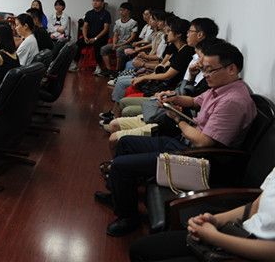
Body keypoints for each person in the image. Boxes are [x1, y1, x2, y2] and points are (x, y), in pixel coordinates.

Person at [94, 41, 257, 236]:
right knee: (125, 143)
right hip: (187, 145)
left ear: (232, 69)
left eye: (210, 70)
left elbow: (203, 142)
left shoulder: (233, 101)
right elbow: (194, 101)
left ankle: (128, 217)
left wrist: (178, 119)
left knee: (121, 165)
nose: (205, 74)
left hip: (200, 161)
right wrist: (173, 98)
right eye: (204, 69)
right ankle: (118, 196)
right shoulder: (221, 87)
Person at [129, 167, 275, 261]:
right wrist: (215, 220)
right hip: (237, 234)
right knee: (139, 249)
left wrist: (214, 237)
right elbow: (254, 207)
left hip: (251, 252)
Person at [70, 0, 111, 73]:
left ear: (102, 3)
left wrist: (95, 38)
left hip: (101, 37)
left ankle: (98, 66)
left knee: (97, 46)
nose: (95, 2)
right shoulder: (89, 13)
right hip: (89, 36)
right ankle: (75, 64)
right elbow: (85, 26)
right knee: (78, 43)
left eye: (97, 1)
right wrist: (85, 37)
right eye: (93, 0)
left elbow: (106, 29)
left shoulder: (106, 14)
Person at [99, 2, 138, 75]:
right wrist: (114, 44)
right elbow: (115, 35)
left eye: (123, 10)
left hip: (128, 44)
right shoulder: (117, 22)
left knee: (119, 50)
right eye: (120, 10)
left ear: (128, 11)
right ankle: (109, 70)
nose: (121, 12)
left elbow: (132, 37)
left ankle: (117, 71)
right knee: (104, 49)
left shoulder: (133, 22)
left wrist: (120, 45)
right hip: (118, 43)